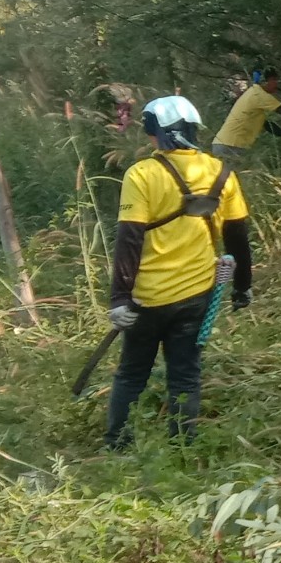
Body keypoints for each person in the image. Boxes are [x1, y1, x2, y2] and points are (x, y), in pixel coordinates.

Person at [106, 95, 253, 449]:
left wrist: (120, 298)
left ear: (154, 132)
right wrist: (242, 287)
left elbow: (130, 239)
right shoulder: (222, 173)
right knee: (185, 376)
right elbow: (238, 237)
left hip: (145, 300)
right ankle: (182, 451)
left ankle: (117, 447)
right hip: (196, 297)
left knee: (131, 375)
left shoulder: (141, 174)